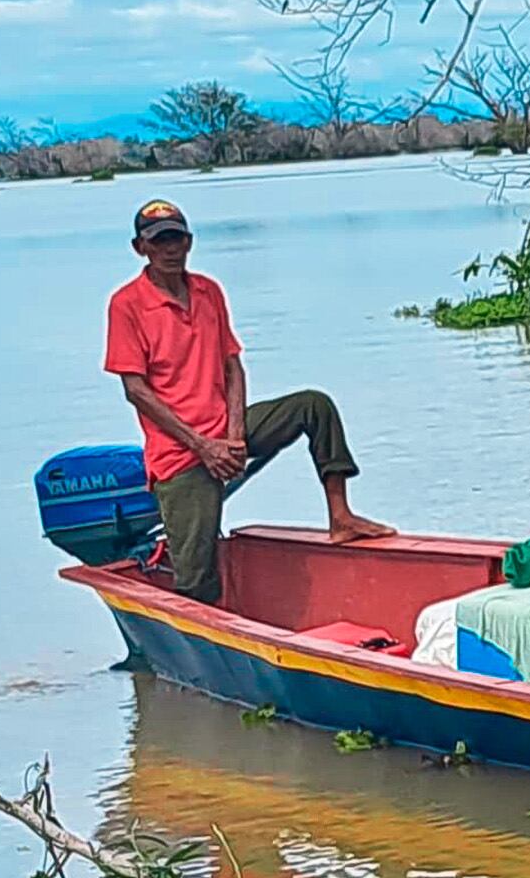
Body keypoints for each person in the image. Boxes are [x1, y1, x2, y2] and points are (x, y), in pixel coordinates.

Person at [102, 198, 391, 604]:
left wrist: (233, 437)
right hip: (179, 454)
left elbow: (232, 366)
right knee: (196, 580)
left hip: (225, 429)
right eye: (160, 241)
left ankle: (341, 517)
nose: (170, 249)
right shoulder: (127, 304)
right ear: (140, 248)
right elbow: (136, 390)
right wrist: (204, 446)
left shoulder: (208, 291)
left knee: (313, 406)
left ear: (189, 242)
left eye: (177, 239)